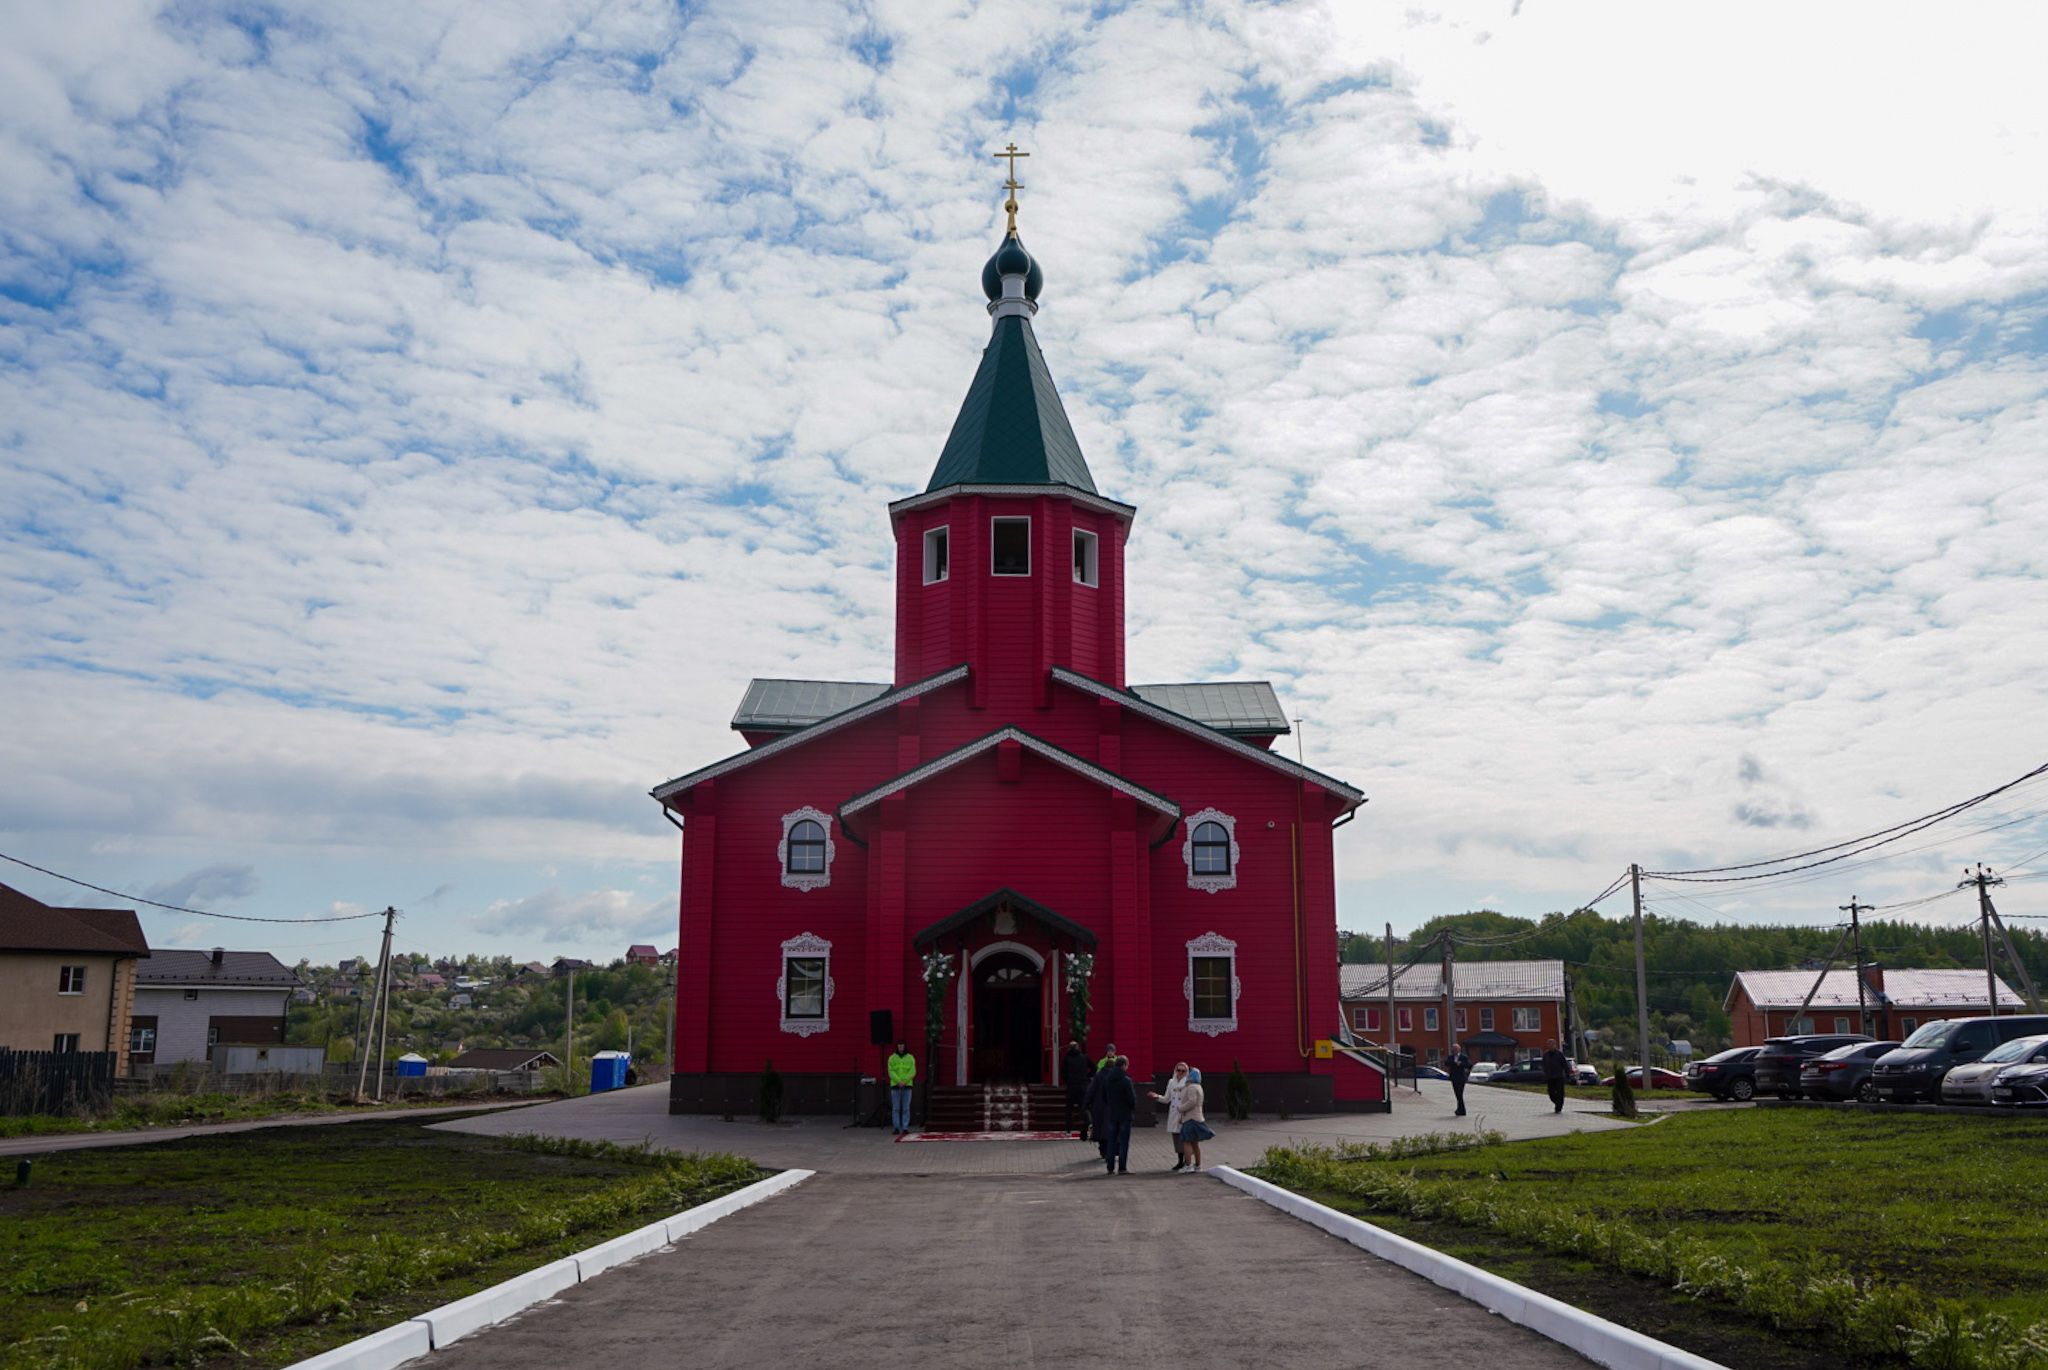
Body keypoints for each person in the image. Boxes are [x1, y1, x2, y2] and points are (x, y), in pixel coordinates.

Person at [1100, 1054, 1137, 1174]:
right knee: (1124, 1142)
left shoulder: (1107, 1079)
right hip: (1125, 1115)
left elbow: (1103, 1097)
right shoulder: (1126, 1080)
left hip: (1112, 1114)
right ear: (1124, 1065)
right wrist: (1132, 1108)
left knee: (1111, 1141)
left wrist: (1110, 1106)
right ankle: (1122, 1168)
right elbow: (1131, 1099)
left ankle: (1110, 1168)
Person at [1149, 1062, 1190, 1171]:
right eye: (1178, 1070)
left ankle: (1188, 1161)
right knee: (1176, 1137)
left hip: (1183, 1112)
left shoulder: (1188, 1083)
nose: (1180, 1073)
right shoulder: (1171, 1082)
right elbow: (1167, 1098)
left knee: (1185, 1137)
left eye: (1183, 1071)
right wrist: (1157, 1097)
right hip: (1174, 1111)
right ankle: (1180, 1161)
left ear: (1186, 1072)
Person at [1177, 1066, 1214, 1171]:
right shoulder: (1198, 1087)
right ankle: (1198, 1165)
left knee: (1187, 1142)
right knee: (1195, 1143)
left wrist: (1180, 1108)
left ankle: (1188, 1165)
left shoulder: (1191, 1087)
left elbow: (1191, 1102)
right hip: (1197, 1117)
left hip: (1190, 1118)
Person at [1061, 1041, 1091, 1136]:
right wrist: (1087, 1077)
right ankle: (1088, 1126)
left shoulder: (1067, 1059)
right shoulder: (1084, 1058)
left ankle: (1068, 1130)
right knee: (1083, 1108)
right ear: (1078, 1048)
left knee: (1069, 1109)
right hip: (1083, 1086)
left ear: (1069, 1048)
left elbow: (1063, 1073)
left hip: (1072, 1086)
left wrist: (1068, 1080)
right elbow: (1094, 1067)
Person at [886, 1041, 917, 1135]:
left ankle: (905, 1127)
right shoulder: (892, 1058)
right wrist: (898, 1081)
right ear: (897, 1047)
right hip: (896, 1085)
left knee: (906, 1108)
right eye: (899, 1046)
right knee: (896, 1108)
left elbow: (912, 1071)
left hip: (907, 1086)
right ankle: (896, 1127)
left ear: (905, 1047)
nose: (901, 1048)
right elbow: (891, 1071)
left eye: (902, 1046)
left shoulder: (910, 1058)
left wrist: (905, 1081)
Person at [1541, 1038, 1569, 1114]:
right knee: (1551, 1092)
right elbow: (1543, 1064)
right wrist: (1546, 1072)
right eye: (1549, 1044)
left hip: (1559, 1076)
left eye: (1552, 1044)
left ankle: (1559, 1107)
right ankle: (1557, 1102)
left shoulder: (1559, 1054)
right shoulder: (1546, 1055)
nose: (1550, 1046)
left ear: (1555, 1045)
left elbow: (1564, 1065)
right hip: (1550, 1076)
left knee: (1560, 1092)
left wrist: (1567, 1074)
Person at [1445, 1044, 1472, 1117]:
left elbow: (1469, 1065)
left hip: (1461, 1078)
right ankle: (1460, 1109)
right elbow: (1446, 1063)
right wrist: (1454, 1063)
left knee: (1460, 1093)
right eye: (1453, 1049)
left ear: (1459, 1050)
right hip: (1454, 1077)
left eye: (1456, 1049)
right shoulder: (1451, 1057)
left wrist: (1461, 1064)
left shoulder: (1463, 1057)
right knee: (1457, 1094)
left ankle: (1462, 1110)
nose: (1454, 1051)